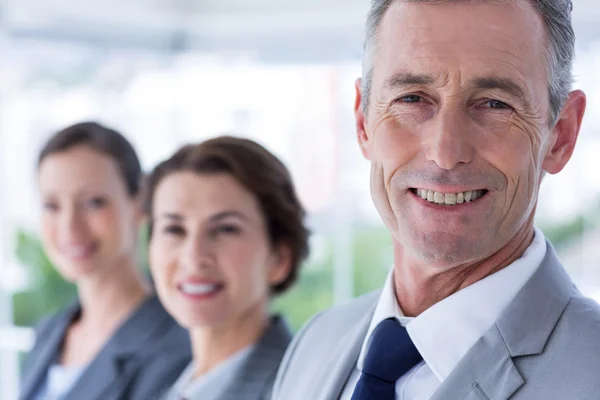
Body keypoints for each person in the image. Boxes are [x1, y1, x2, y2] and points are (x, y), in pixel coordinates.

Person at [273, 1, 600, 399]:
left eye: (495, 103)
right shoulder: (314, 344)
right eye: (411, 98)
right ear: (362, 122)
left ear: (561, 135)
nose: (445, 152)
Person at [20, 122, 191, 400]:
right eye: (52, 205)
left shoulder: (176, 349)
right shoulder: (50, 332)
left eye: (93, 202)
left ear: (140, 202)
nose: (69, 228)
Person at [144, 136, 309, 400]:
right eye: (174, 229)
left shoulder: (305, 390)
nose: (194, 257)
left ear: (279, 259)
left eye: (225, 229)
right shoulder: (159, 386)